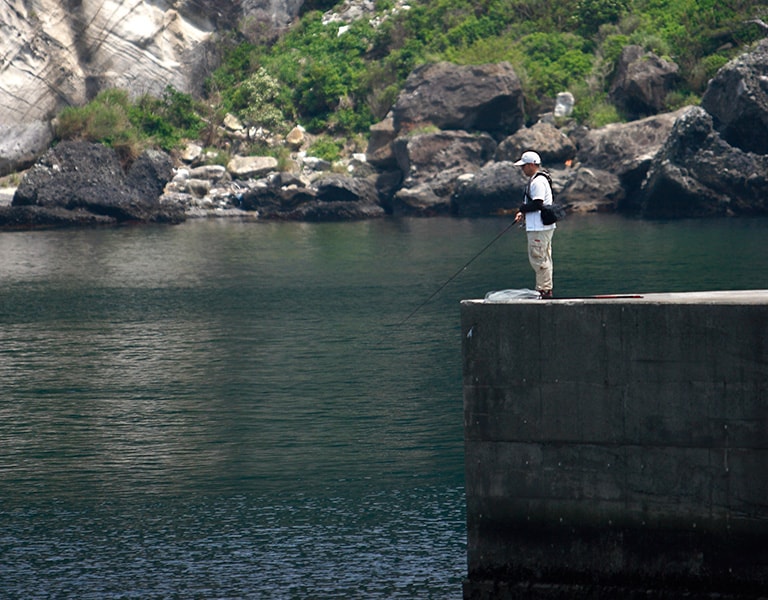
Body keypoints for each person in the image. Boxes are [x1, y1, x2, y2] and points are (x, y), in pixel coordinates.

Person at [513, 151, 555, 299]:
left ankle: (543, 291)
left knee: (539, 259)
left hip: (539, 227)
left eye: (524, 166)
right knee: (543, 258)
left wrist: (521, 209)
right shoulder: (538, 179)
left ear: (531, 165)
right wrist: (523, 213)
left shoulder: (537, 182)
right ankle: (544, 289)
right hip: (540, 227)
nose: (522, 169)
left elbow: (537, 203)